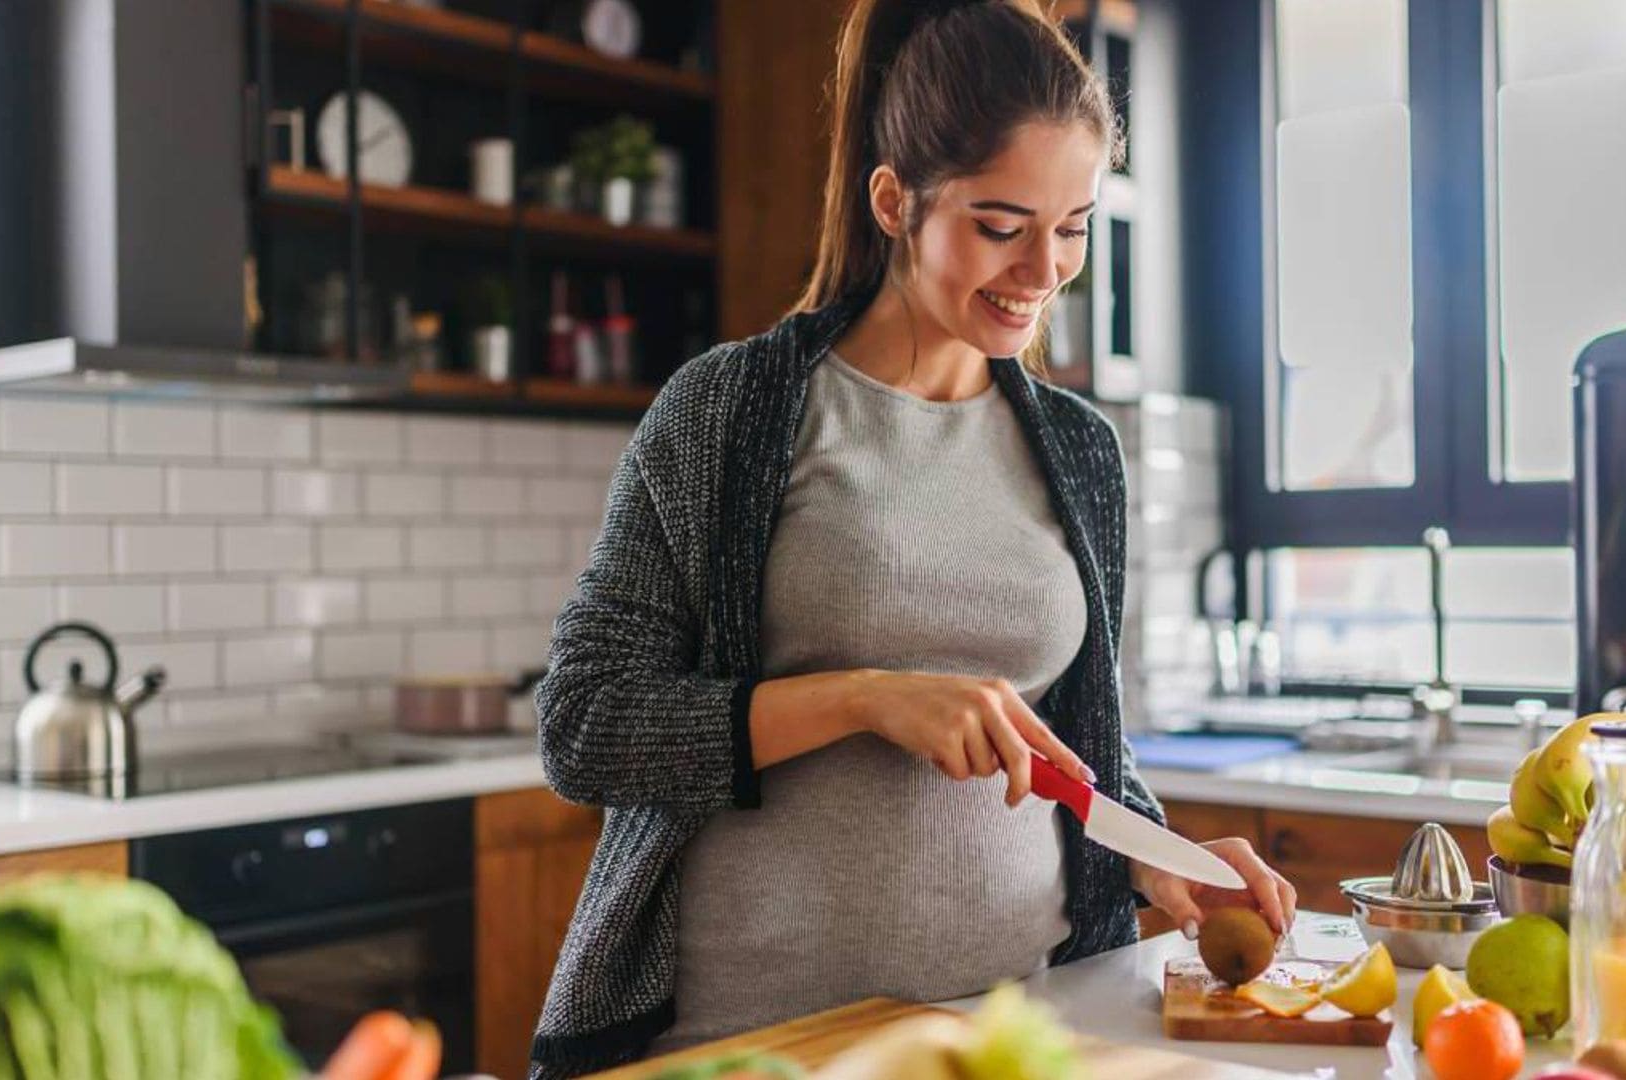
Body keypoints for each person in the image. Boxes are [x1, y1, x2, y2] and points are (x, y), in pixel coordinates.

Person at [529, 1, 1296, 1075]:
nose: (1044, 271)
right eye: (1000, 225)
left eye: (1071, 226)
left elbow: (1074, 749)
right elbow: (585, 725)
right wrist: (864, 696)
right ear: (895, 201)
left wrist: (1159, 858)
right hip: (759, 1043)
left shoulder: (1079, 451)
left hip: (1015, 1035)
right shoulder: (733, 410)